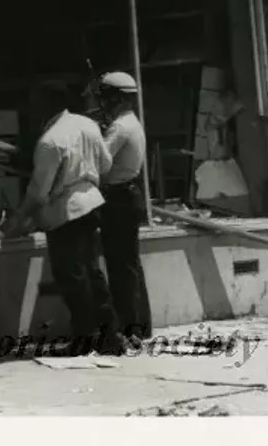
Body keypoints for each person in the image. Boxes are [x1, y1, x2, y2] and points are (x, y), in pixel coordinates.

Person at [2, 81, 126, 355]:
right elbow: (106, 165)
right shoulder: (87, 125)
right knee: (92, 270)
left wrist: (16, 222)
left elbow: (38, 193)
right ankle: (110, 334)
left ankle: (84, 337)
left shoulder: (50, 141)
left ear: (44, 108)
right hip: (92, 203)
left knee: (72, 276)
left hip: (65, 211)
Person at [96, 70, 153, 342]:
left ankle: (129, 327)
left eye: (106, 98)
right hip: (128, 195)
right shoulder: (132, 123)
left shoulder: (119, 127)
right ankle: (140, 325)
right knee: (129, 264)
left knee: (120, 266)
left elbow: (100, 161)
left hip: (117, 198)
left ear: (116, 98)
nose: (103, 103)